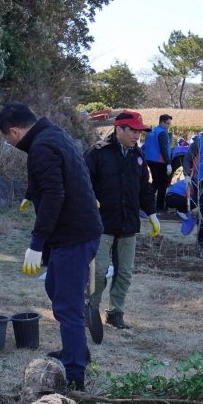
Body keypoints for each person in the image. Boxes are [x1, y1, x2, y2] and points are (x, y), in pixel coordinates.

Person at [0, 103, 102, 389]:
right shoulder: (53, 133)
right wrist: (31, 194)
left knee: (67, 306)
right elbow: (55, 178)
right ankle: (75, 348)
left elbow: (55, 194)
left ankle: (74, 374)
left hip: (74, 235)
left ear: (14, 131)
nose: (10, 143)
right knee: (55, 288)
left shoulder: (42, 147)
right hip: (80, 230)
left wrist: (36, 243)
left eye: (8, 138)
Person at [85, 112, 158, 331]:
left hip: (128, 223)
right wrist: (92, 201)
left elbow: (145, 188)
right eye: (133, 131)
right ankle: (89, 310)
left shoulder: (138, 156)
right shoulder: (97, 153)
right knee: (97, 272)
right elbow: (82, 182)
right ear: (119, 129)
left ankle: (115, 313)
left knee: (125, 271)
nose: (137, 135)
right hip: (102, 223)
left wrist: (152, 214)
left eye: (139, 131)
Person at [141, 113, 172, 211]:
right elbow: (163, 149)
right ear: (162, 122)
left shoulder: (152, 131)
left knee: (155, 183)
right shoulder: (162, 133)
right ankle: (159, 207)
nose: (168, 126)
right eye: (168, 123)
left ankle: (145, 202)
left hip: (150, 159)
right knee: (163, 184)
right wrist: (168, 163)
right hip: (160, 161)